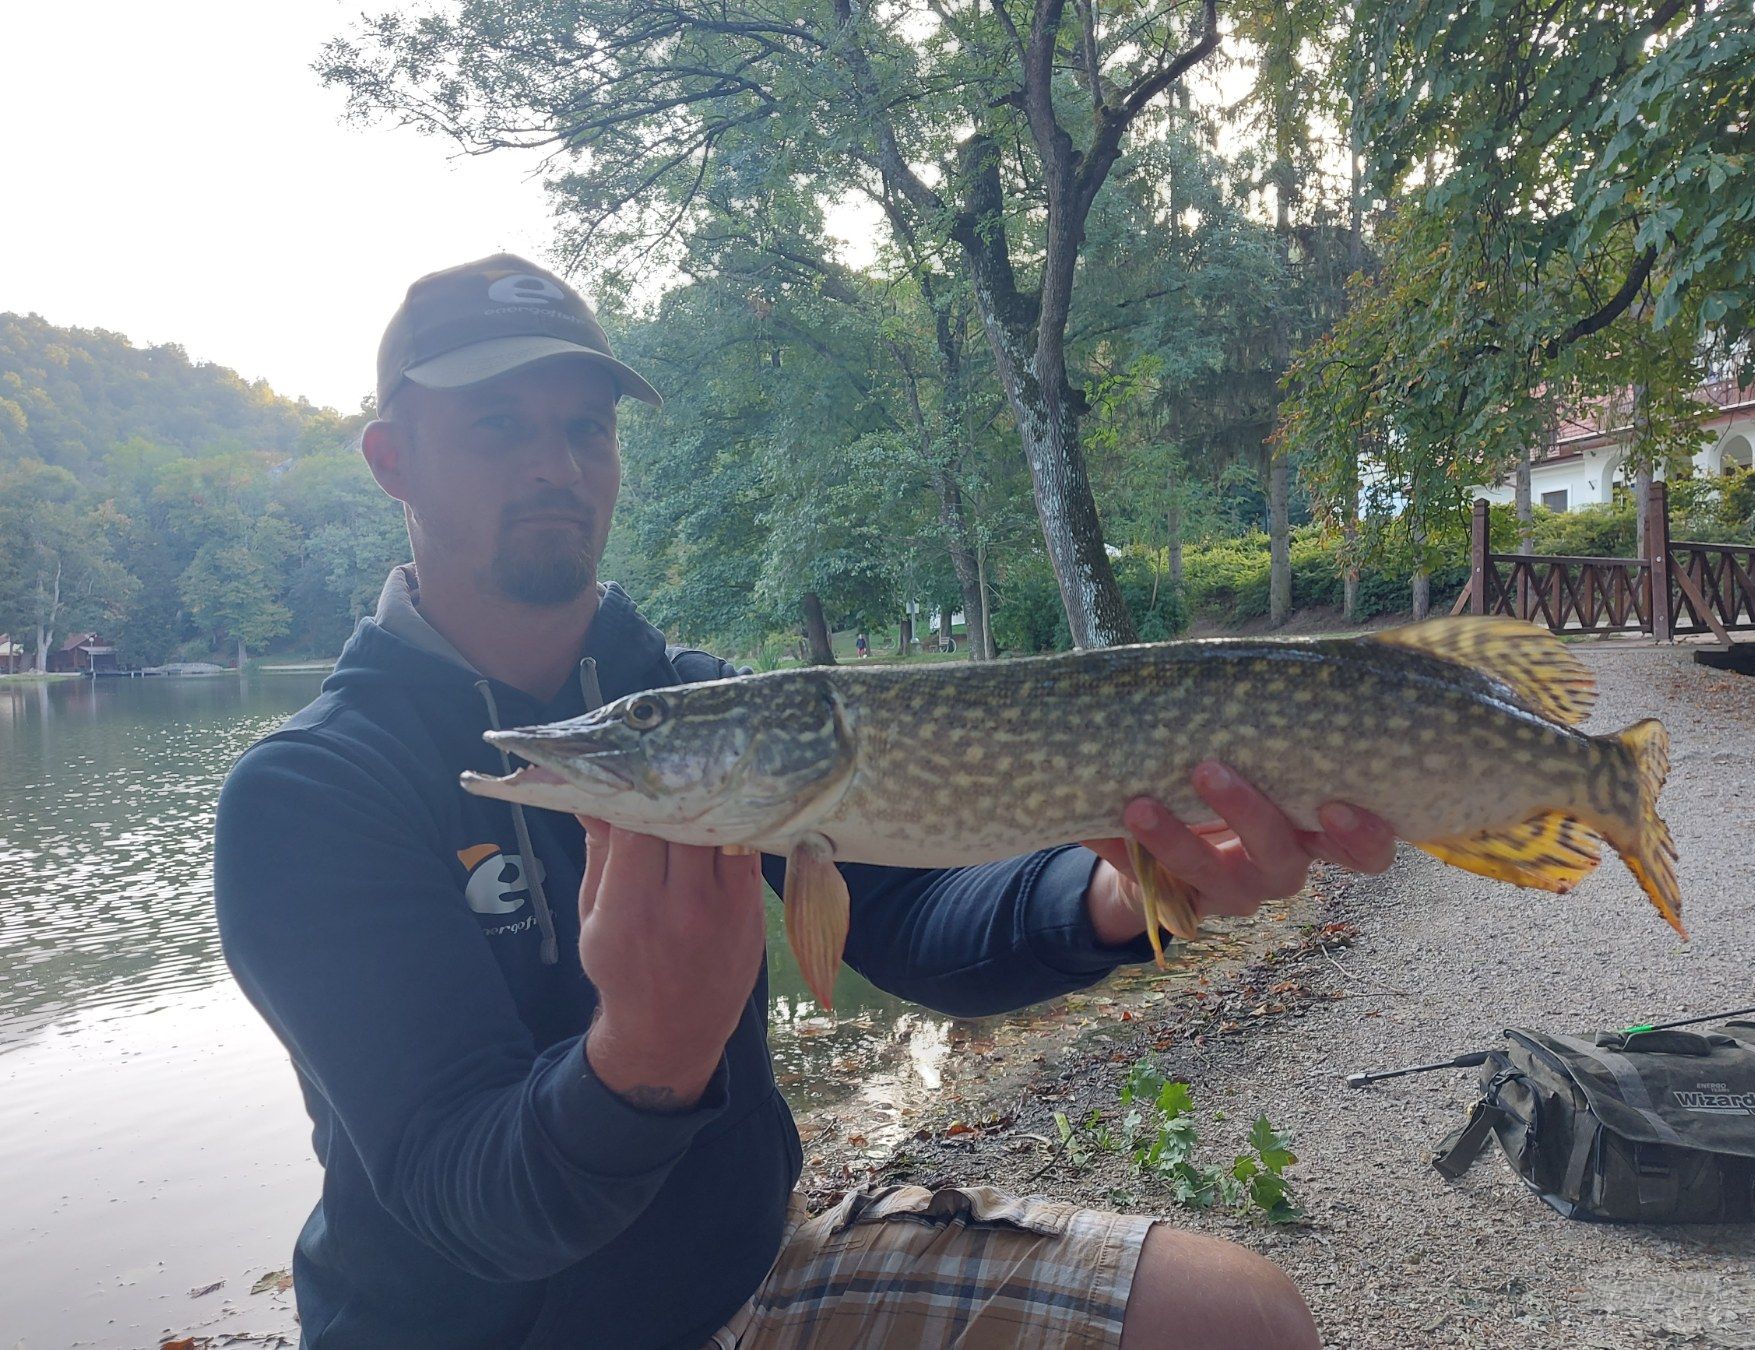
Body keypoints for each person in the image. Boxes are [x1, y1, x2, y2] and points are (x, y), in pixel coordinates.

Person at [213, 254, 1397, 1350]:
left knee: (1237, 1320)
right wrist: (649, 1054)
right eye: (497, 426)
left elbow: (913, 925)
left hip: (739, 1291)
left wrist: (1117, 890)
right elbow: (465, 1202)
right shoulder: (313, 794)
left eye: (586, 428)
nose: (557, 467)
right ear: (392, 461)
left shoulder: (708, 709)